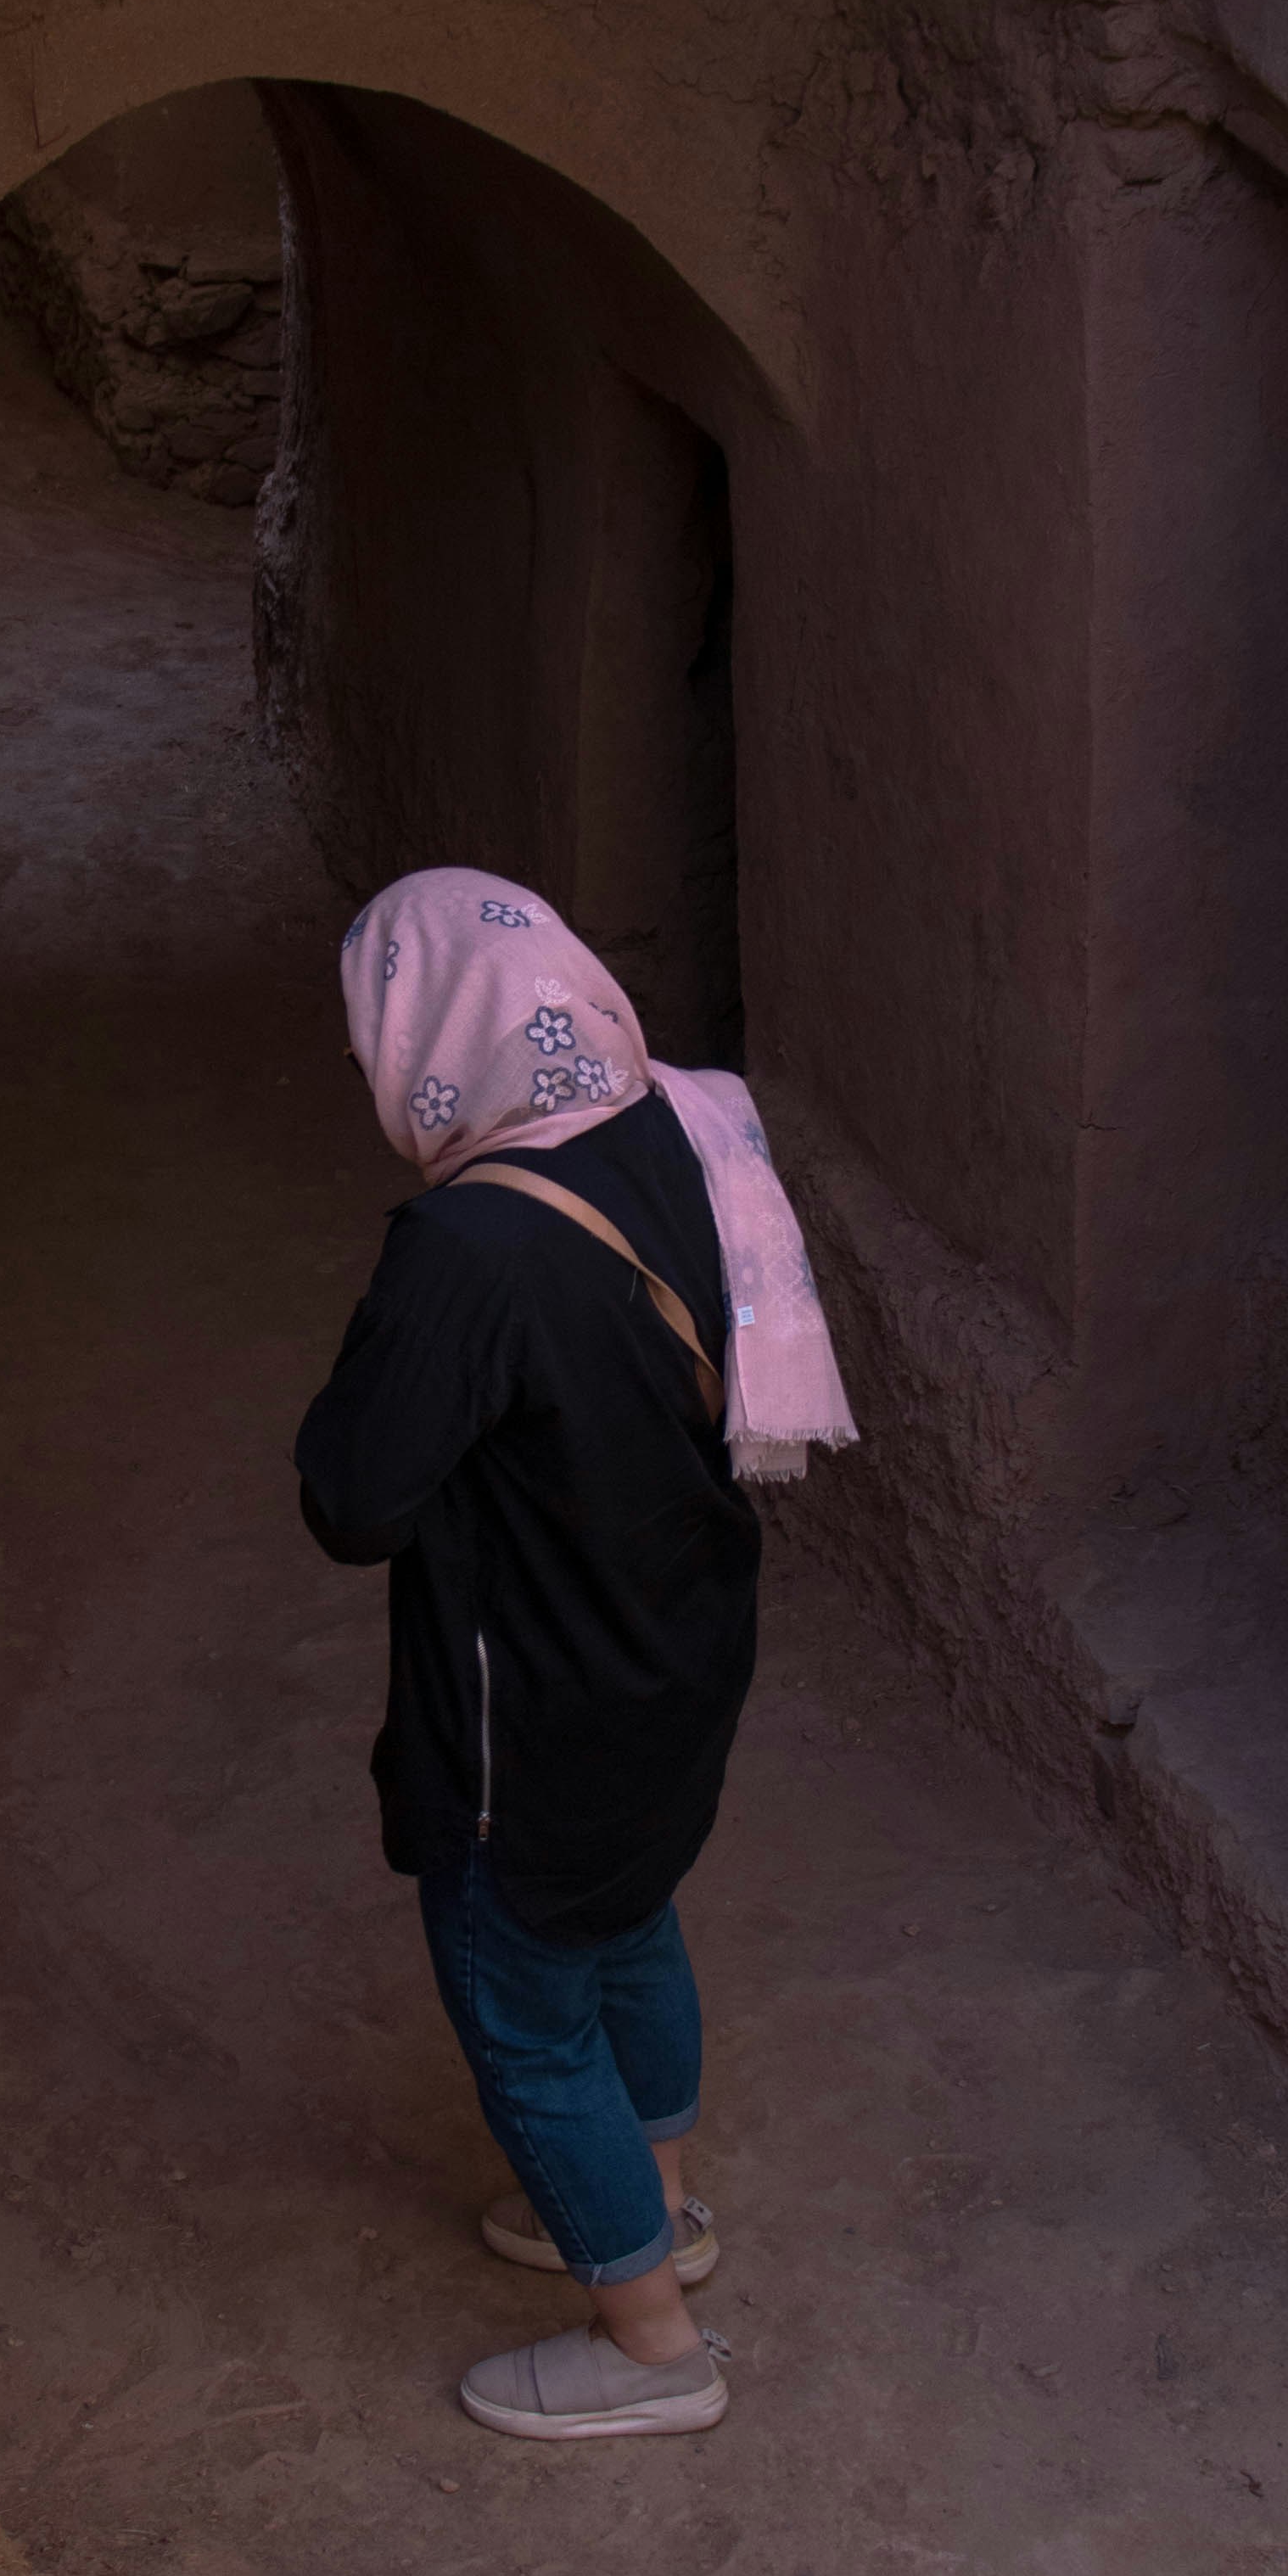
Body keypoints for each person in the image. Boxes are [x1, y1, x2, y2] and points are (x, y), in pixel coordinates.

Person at [294, 868, 854, 2441]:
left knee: (526, 2015)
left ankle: (652, 2345)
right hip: (675, 1658)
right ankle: (653, 2202)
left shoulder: (468, 1245)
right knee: (628, 1920)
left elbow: (354, 1497)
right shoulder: (679, 1119)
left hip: (527, 1714)